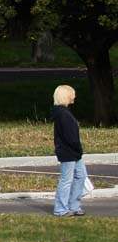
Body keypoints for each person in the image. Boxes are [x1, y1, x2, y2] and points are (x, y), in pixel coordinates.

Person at [52, 84, 87, 217]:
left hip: (73, 152)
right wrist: (78, 148)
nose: (74, 96)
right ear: (66, 96)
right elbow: (70, 136)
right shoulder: (63, 114)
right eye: (72, 94)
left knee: (80, 176)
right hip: (68, 152)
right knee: (66, 180)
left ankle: (74, 206)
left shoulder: (64, 112)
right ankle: (60, 209)